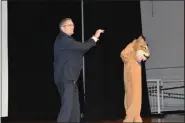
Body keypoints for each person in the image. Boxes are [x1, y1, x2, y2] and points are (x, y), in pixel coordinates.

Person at [53, 18, 104, 123]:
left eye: (73, 24)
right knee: (67, 110)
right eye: (70, 25)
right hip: (66, 79)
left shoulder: (67, 42)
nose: (73, 27)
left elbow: (80, 51)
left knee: (75, 111)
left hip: (71, 80)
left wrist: (86, 46)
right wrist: (94, 37)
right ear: (63, 28)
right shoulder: (63, 39)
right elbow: (82, 47)